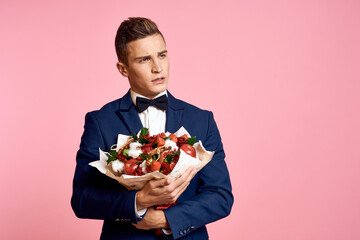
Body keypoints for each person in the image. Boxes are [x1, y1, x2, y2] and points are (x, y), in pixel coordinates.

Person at [71, 17, 233, 240]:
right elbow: (82, 199)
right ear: (123, 69)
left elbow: (220, 195)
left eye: (162, 55)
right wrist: (138, 202)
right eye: (144, 59)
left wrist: (167, 219)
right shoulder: (100, 122)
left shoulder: (202, 120)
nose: (158, 67)